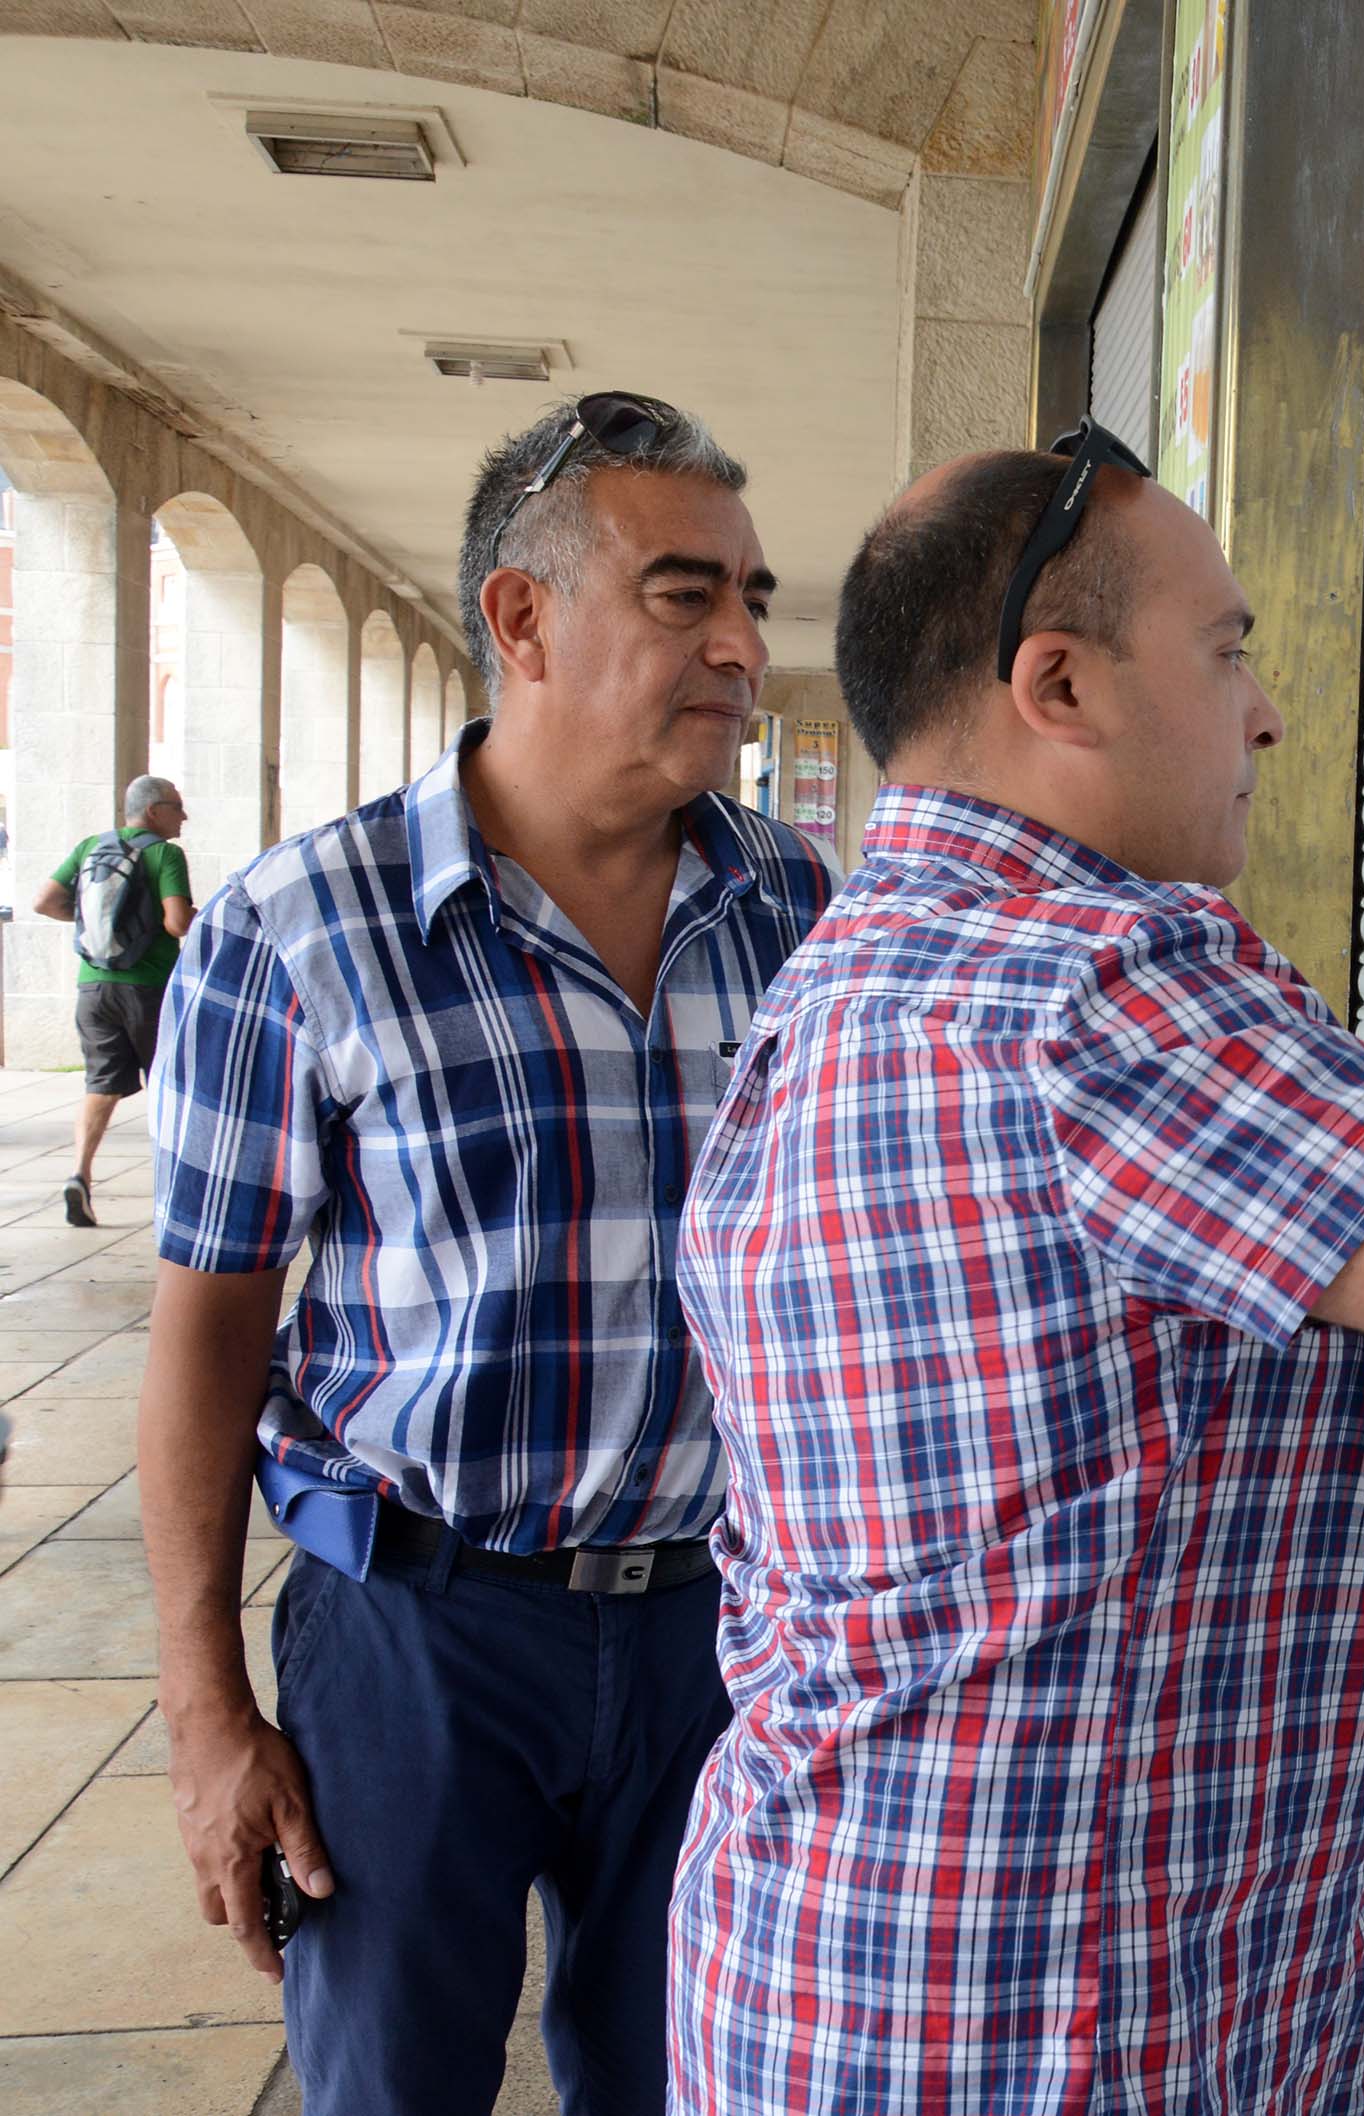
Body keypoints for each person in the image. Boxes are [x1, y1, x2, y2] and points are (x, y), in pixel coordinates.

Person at [668, 430, 1364, 2114]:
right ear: (1060, 685)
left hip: (860, 1972)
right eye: (1225, 648)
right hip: (1051, 2026)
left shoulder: (872, 970)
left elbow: (1107, 1303)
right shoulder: (1092, 985)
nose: (1265, 710)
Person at [135, 392, 833, 2116]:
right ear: (520, 618)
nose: (744, 644)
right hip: (414, 1632)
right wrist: (209, 1715)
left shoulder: (802, 913)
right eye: (687, 596)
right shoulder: (298, 931)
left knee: (696, 2076)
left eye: (751, 595)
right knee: (393, 2082)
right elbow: (209, 1339)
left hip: (719, 1629)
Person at [32, 773, 192, 1226]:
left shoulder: (90, 847)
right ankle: (176, 1187)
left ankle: (79, 1174)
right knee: (169, 1082)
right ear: (154, 811)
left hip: (93, 986)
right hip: (147, 987)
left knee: (100, 1085)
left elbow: (44, 900)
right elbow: (177, 923)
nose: (183, 815)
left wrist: (99, 929)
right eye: (177, 806)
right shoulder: (165, 854)